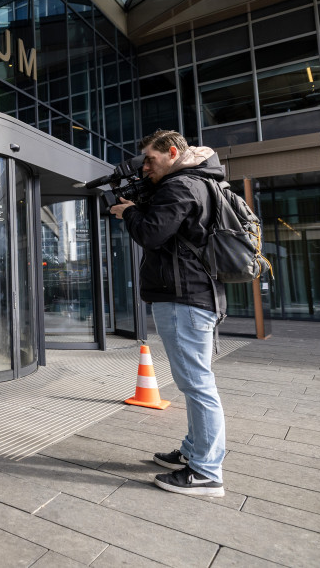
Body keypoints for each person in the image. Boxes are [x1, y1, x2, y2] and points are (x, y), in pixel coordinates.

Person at [110, 129, 226, 497]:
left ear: (173, 152)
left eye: (151, 160)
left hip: (185, 298)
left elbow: (151, 234)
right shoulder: (200, 182)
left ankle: (206, 472)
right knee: (194, 382)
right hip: (192, 295)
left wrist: (128, 211)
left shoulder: (181, 187)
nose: (145, 167)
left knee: (197, 384)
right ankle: (193, 453)